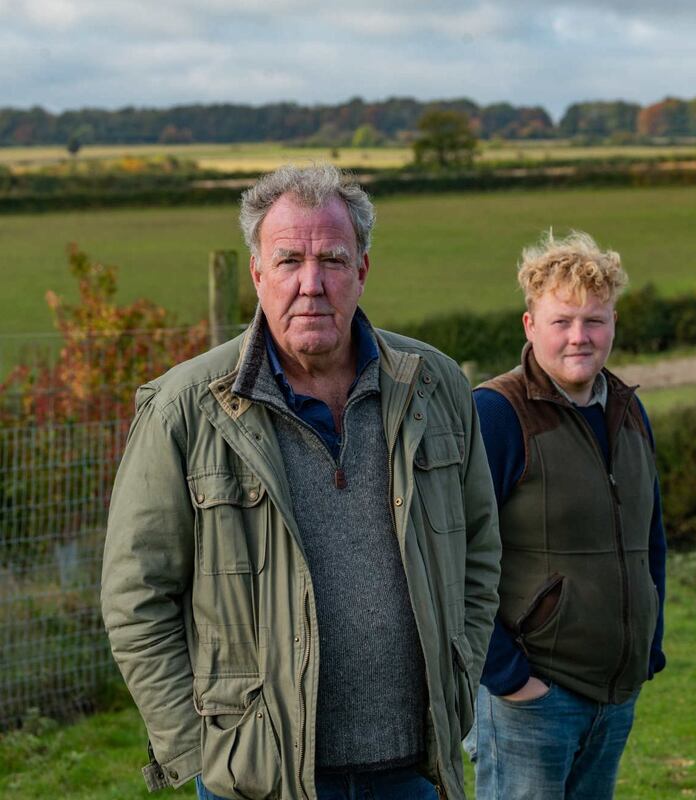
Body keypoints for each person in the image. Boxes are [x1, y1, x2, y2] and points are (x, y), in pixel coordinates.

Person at [101, 164, 501, 800]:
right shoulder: (186, 408)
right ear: (257, 273)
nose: (311, 284)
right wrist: (202, 751)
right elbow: (134, 596)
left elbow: (479, 551)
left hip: (412, 771)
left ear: (362, 271)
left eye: (333, 260)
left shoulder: (437, 386)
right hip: (259, 780)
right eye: (289, 260)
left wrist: (457, 678)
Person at [469, 231, 667, 800]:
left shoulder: (628, 410)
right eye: (562, 321)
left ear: (613, 323)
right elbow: (452, 555)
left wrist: (648, 646)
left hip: (615, 695)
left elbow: (650, 538)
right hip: (532, 700)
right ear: (530, 326)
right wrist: (507, 678)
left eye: (595, 321)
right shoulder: (497, 413)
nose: (579, 337)